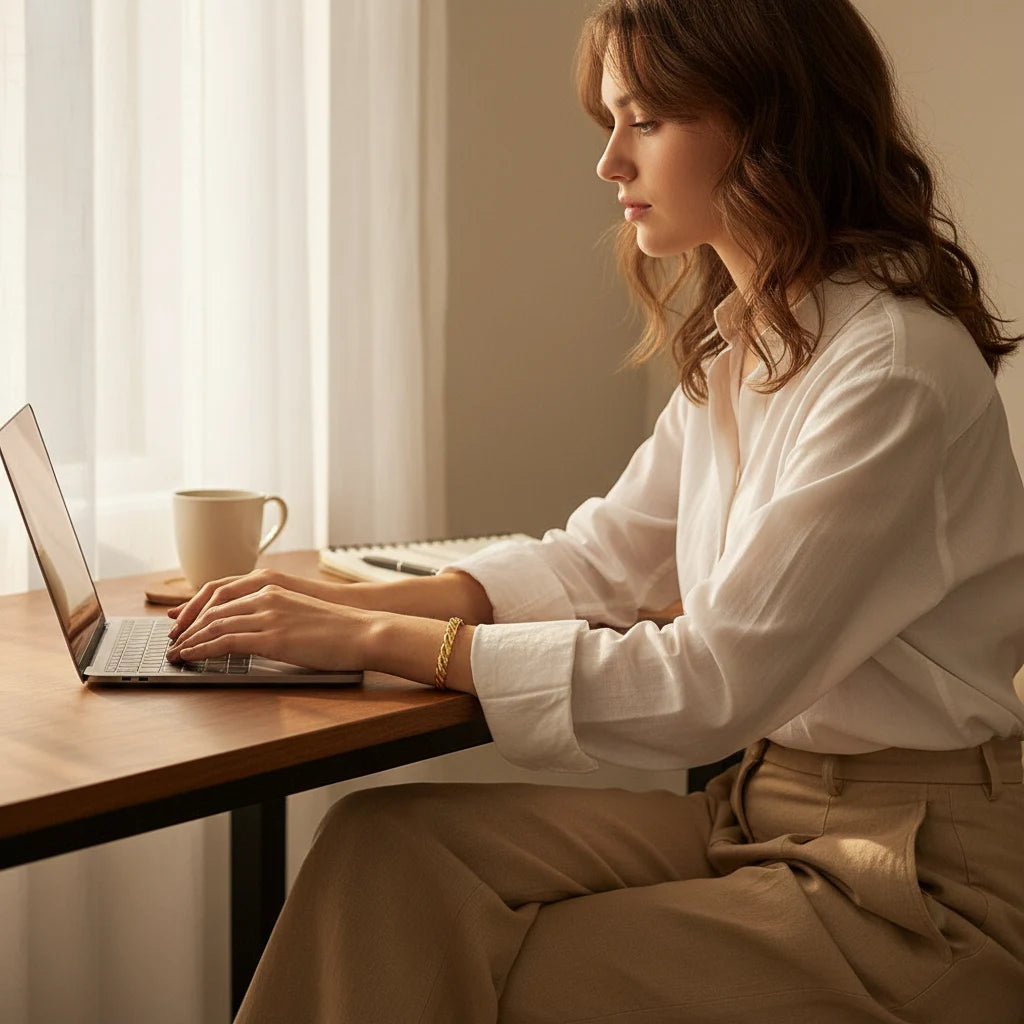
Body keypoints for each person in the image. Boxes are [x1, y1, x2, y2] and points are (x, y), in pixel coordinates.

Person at [167, 0, 1024, 1019]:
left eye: (646, 120)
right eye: (609, 121)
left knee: (519, 974)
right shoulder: (747, 342)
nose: (609, 162)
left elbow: (707, 681)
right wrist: (349, 612)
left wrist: (383, 638)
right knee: (381, 852)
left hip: (914, 879)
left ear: (770, 124)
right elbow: (605, 560)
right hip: (756, 808)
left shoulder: (889, 370)